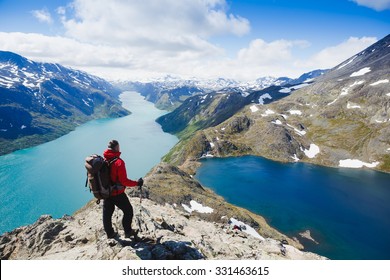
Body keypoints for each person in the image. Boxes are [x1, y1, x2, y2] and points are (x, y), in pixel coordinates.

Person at [102, 139, 143, 239]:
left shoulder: (104, 159)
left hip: (106, 192)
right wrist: (137, 183)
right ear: (116, 148)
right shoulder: (119, 162)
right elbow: (124, 181)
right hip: (117, 193)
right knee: (128, 211)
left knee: (107, 213)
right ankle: (128, 231)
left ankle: (110, 233)